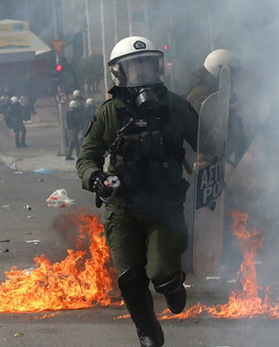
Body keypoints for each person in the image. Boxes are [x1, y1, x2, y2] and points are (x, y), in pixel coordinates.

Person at [76, 36, 198, 347]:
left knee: (161, 273)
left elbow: (208, 143)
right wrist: (95, 178)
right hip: (124, 207)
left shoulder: (176, 107)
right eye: (134, 68)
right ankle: (148, 331)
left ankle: (172, 285)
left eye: (147, 66)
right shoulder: (110, 113)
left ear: (158, 68)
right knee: (130, 278)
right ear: (119, 74)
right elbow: (87, 155)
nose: (142, 74)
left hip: (165, 207)